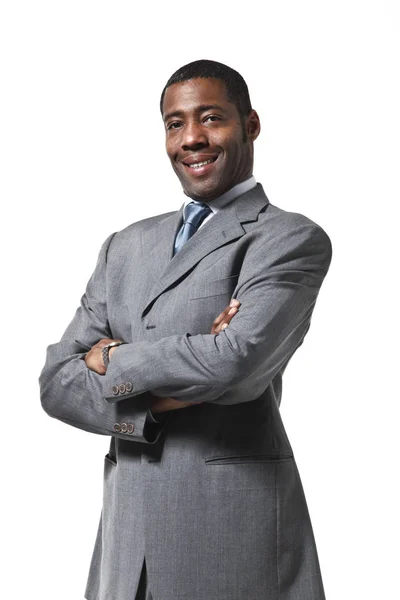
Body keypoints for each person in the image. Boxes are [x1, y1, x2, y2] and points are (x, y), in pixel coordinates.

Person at [39, 59, 332, 600]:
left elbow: (234, 364)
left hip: (230, 540)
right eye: (175, 124)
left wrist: (110, 359)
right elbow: (56, 384)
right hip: (125, 550)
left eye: (211, 118)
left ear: (250, 125)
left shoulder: (287, 239)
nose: (191, 138)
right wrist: (151, 407)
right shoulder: (124, 246)